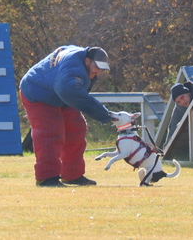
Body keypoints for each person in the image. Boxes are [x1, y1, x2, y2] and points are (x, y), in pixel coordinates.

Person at [19, 45, 119, 187]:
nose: (99, 71)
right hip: (37, 92)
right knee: (50, 132)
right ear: (87, 61)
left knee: (76, 128)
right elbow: (70, 92)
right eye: (97, 67)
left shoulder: (81, 61)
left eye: (102, 68)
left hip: (57, 94)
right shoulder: (74, 68)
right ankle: (46, 178)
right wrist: (105, 115)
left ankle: (72, 175)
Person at [165, 80, 193, 145]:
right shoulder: (179, 108)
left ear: (188, 93)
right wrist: (164, 149)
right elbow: (173, 128)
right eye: (178, 102)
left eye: (182, 97)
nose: (182, 102)